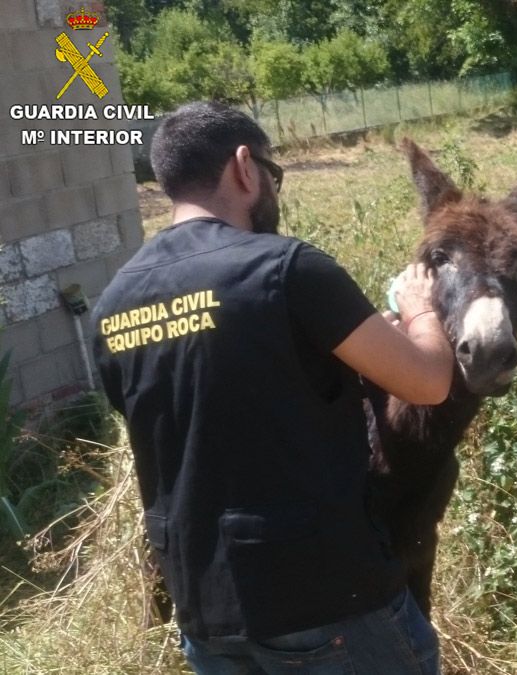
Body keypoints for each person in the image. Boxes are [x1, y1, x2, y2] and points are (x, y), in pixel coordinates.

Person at [91, 101, 453, 674]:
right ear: (244, 167)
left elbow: (209, 401)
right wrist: (419, 310)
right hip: (328, 601)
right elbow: (429, 382)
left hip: (206, 615)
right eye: (273, 174)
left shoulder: (112, 305)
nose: (274, 191)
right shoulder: (287, 269)